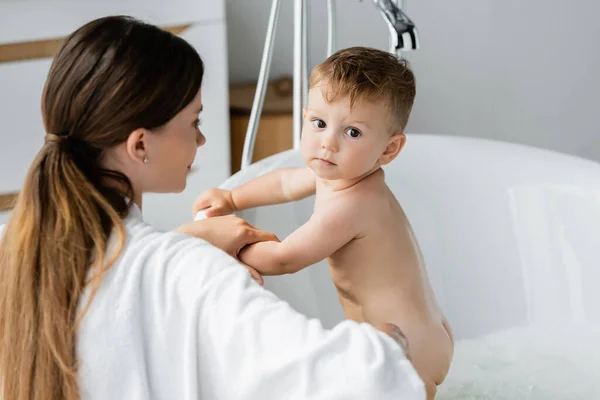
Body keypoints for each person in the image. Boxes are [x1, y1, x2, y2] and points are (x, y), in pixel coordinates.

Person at [0, 16, 426, 400]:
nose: (201, 141)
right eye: (195, 122)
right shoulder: (193, 274)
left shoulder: (21, 241)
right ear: (140, 144)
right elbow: (361, 381)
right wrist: (394, 343)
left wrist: (182, 241)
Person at [193, 47, 454, 399]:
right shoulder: (340, 174)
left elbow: (285, 259)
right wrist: (233, 198)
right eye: (319, 123)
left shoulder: (354, 204)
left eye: (353, 133)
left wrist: (225, 245)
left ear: (389, 150)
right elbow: (285, 183)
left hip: (404, 349)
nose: (328, 143)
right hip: (417, 334)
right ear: (305, 117)